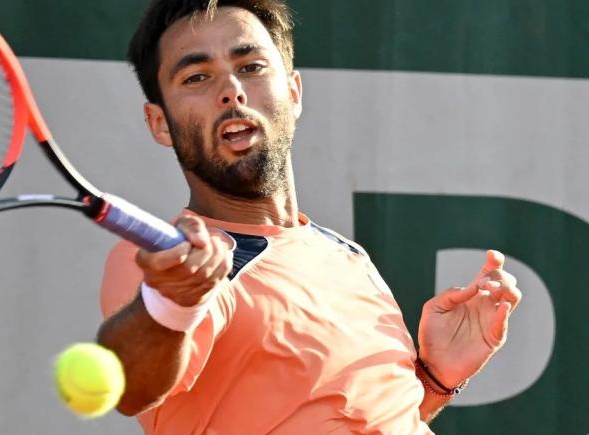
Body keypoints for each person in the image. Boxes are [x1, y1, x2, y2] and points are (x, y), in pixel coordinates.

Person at [97, 1, 522, 433]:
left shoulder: (346, 256)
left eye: (251, 66)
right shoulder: (163, 258)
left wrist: (434, 380)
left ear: (294, 92)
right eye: (197, 77)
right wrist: (170, 301)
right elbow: (130, 387)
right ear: (160, 123)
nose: (231, 89)